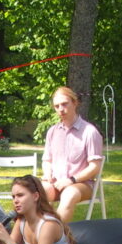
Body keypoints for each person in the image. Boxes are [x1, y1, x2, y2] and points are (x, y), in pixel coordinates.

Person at [41, 86, 103, 222]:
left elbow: (95, 167)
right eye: (57, 106)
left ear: (75, 103)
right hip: (56, 183)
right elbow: (47, 160)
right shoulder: (52, 131)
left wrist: (71, 180)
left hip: (81, 184)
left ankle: (57, 233)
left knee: (68, 194)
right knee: (33, 193)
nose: (61, 109)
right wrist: (48, 174)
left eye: (64, 104)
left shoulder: (89, 132)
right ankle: (29, 232)